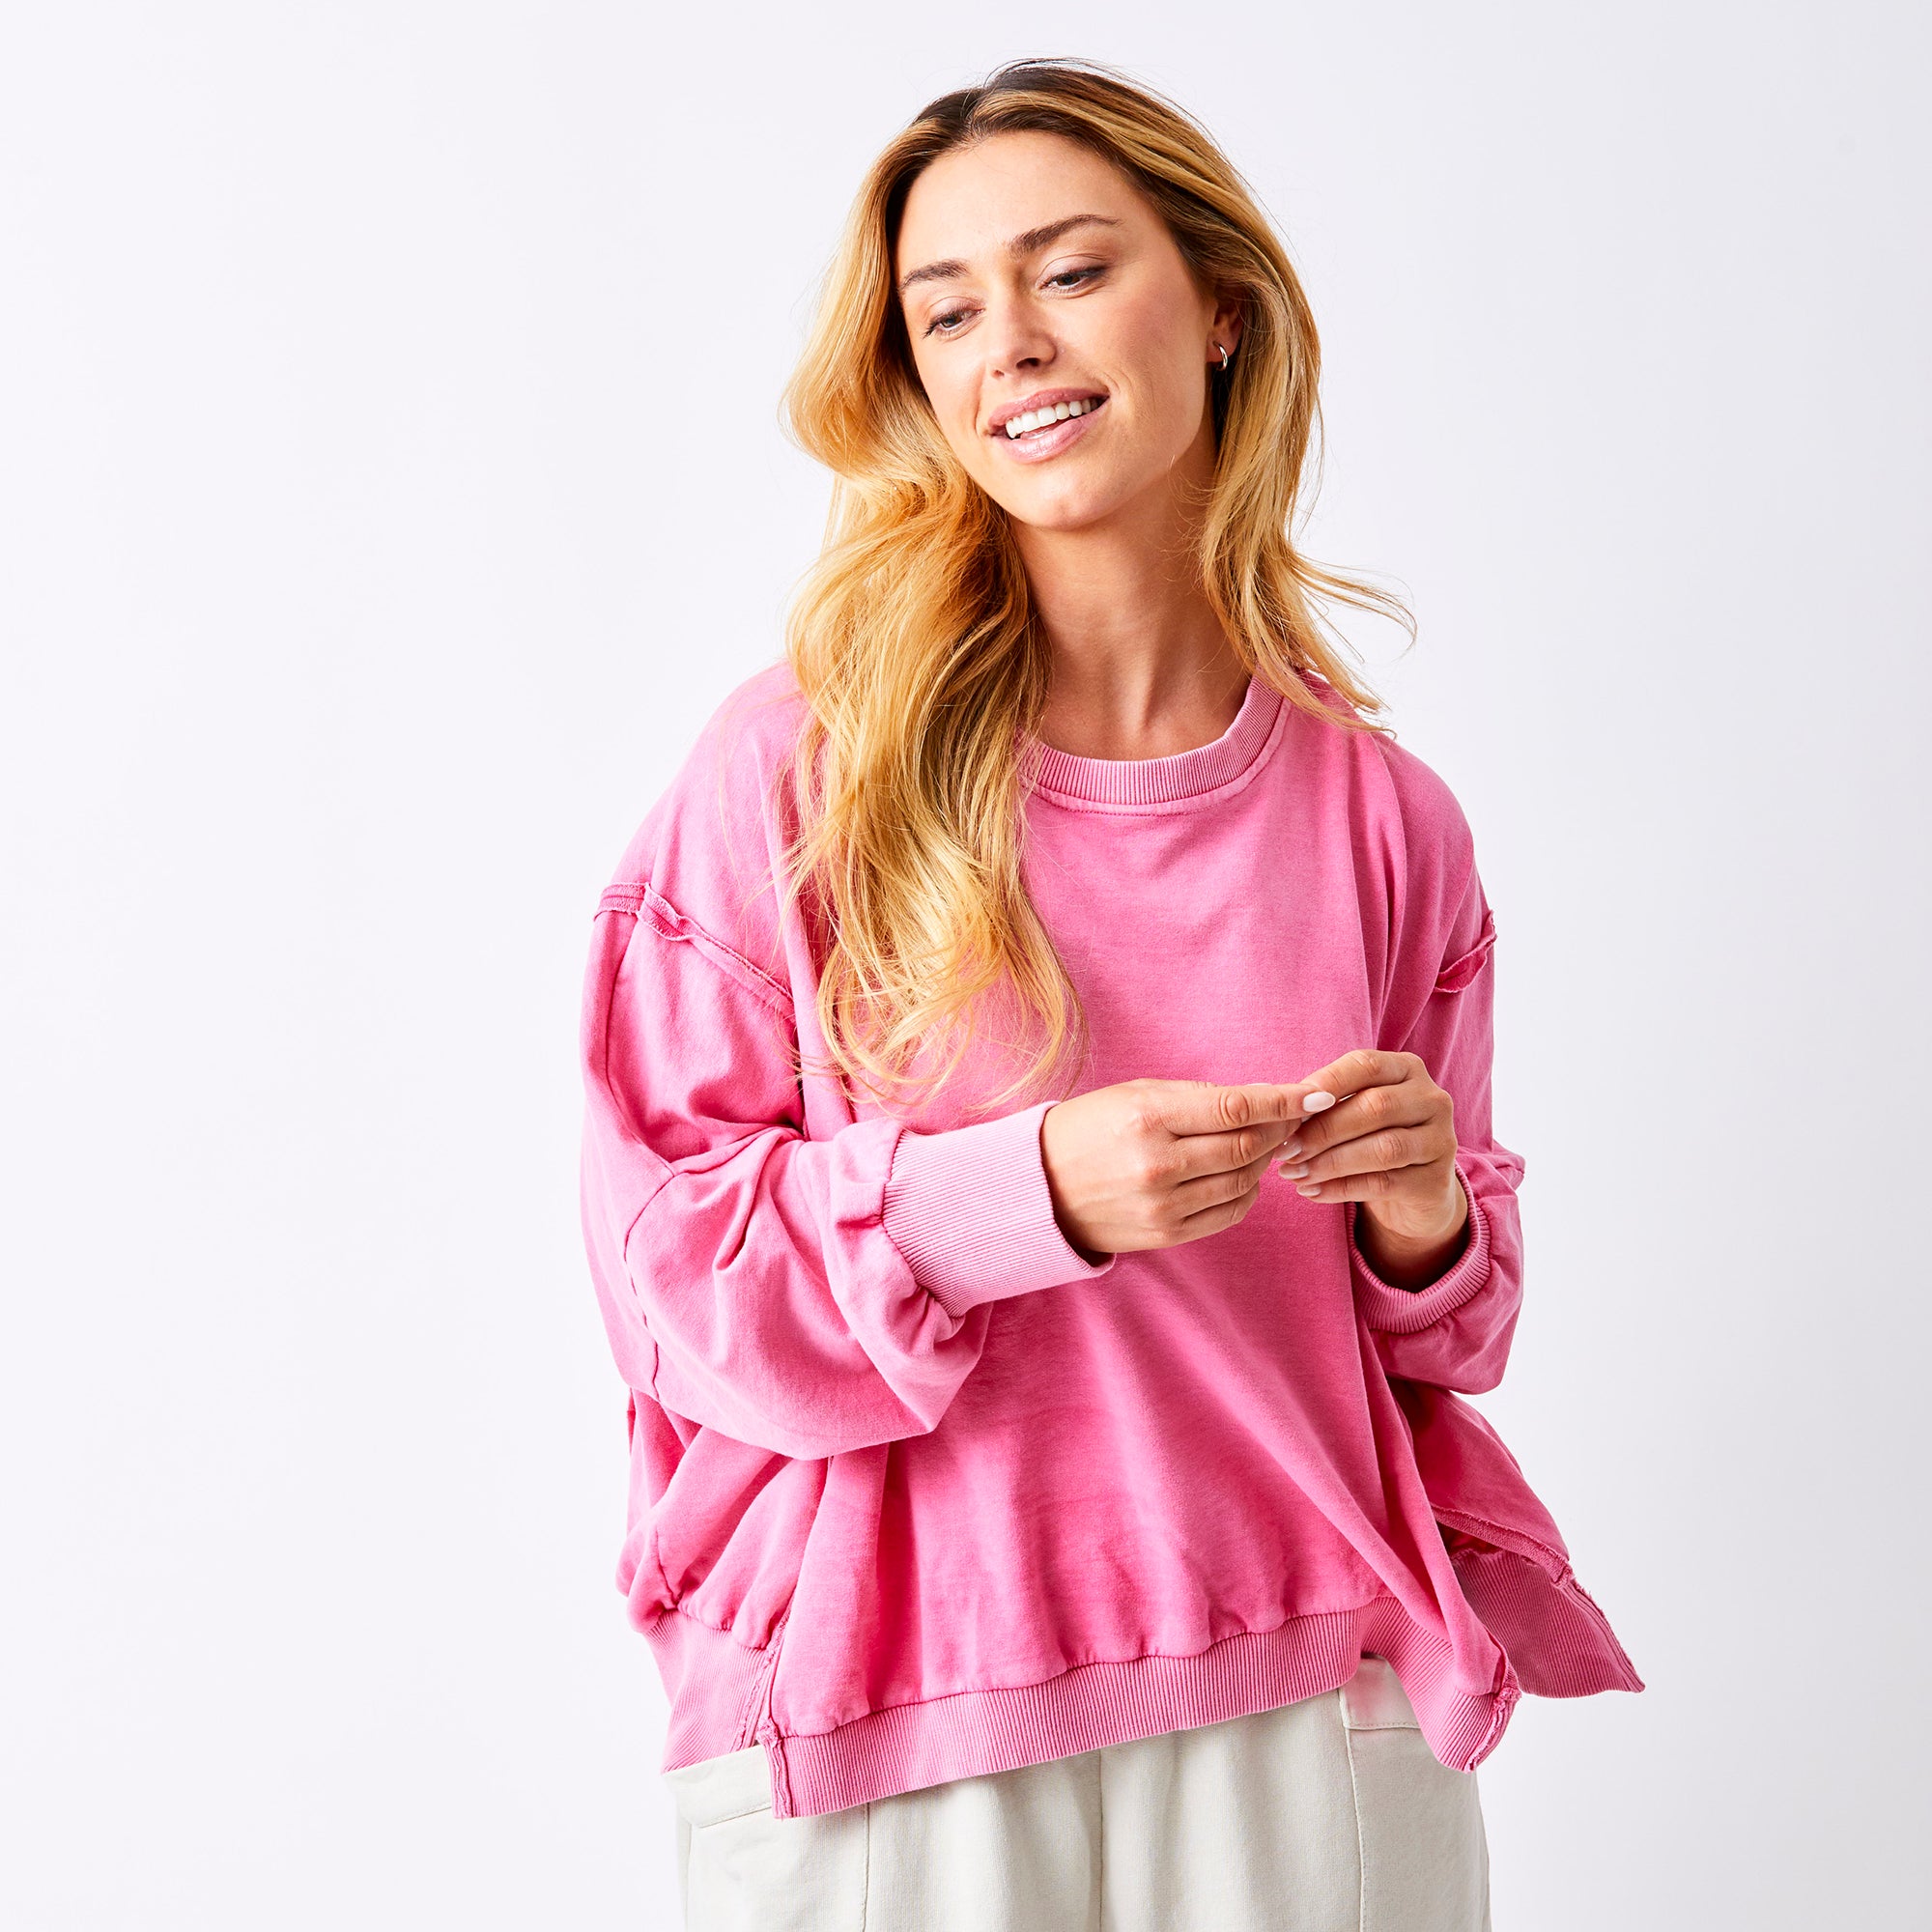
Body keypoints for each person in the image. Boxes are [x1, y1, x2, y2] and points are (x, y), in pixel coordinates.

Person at [577, 57, 1642, 1932]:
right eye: (947, 310)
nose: (1012, 343)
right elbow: (670, 1279)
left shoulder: (1384, 819)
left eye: (1070, 271)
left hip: (1305, 1690)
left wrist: (1419, 1214)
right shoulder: (794, 775)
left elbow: (1442, 1337)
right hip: (900, 1713)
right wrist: (1025, 1194)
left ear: (1219, 308)